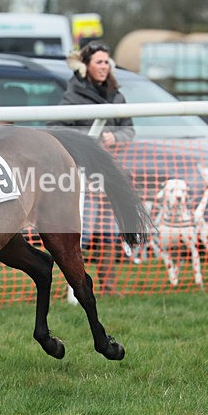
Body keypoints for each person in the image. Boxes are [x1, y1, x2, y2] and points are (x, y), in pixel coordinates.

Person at [48, 42, 135, 295]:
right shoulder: (72, 97)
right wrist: (88, 137)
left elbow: (129, 129)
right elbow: (56, 128)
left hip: (109, 175)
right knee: (80, 235)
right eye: (99, 62)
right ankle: (74, 287)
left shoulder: (117, 96)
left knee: (108, 233)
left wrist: (115, 138)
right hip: (81, 176)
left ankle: (108, 286)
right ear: (86, 66)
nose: (104, 67)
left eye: (107, 62)